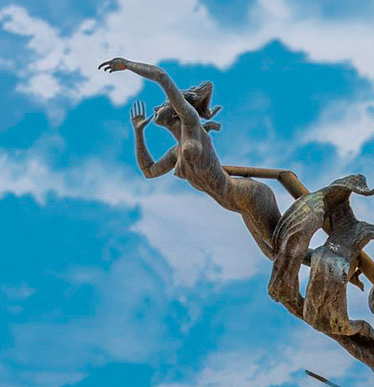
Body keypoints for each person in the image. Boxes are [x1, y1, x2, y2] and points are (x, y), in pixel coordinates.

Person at [99, 57, 281, 258]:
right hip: (237, 206)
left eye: (162, 105)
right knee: (274, 254)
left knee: (282, 250)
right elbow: (148, 171)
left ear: (177, 109)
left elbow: (161, 76)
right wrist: (139, 132)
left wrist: (127, 65)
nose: (155, 109)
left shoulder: (191, 123)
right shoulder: (175, 153)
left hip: (250, 194)